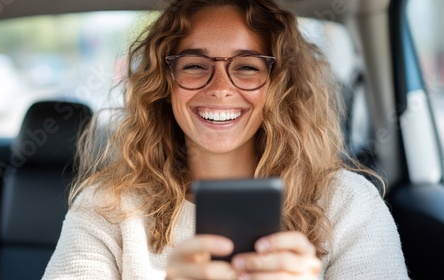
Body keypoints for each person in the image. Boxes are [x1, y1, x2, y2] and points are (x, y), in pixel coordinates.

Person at [42, 0, 409, 279]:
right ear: (164, 85)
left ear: (280, 85)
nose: (220, 89)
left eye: (247, 67)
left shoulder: (348, 204)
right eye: (195, 66)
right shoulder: (107, 206)